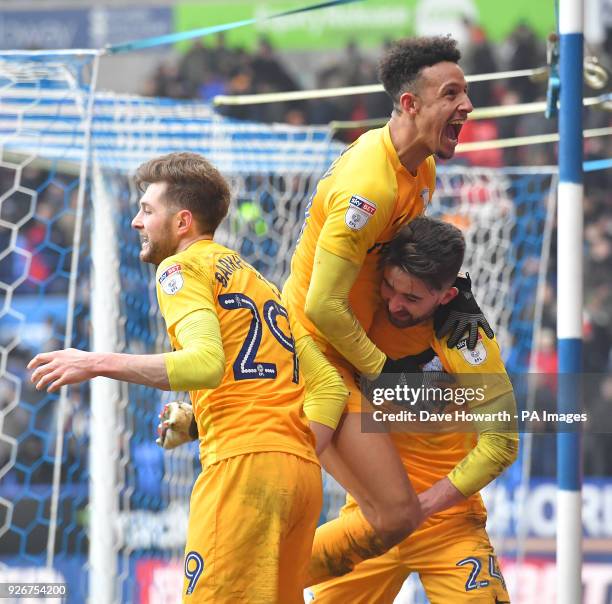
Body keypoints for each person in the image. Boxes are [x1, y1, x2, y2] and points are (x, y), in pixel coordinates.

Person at [28, 152, 345, 603]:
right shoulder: (259, 282)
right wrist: (268, 442)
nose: (137, 221)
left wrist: (93, 362)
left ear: (182, 222)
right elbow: (328, 388)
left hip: (241, 470)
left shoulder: (178, 269)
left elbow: (204, 363)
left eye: (147, 210)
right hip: (299, 476)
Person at [281, 35, 494, 584]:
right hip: (316, 355)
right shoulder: (369, 186)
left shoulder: (419, 170)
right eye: (452, 94)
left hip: (344, 355)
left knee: (393, 516)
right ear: (410, 104)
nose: (467, 106)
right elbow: (321, 305)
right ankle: (248, 583)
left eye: (465, 93)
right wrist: (384, 369)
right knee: (331, 496)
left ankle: (263, 582)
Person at [310, 217, 517, 603]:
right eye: (390, 286)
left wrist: (416, 508)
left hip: (448, 524)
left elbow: (502, 443)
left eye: (411, 299)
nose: (394, 303)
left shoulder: (466, 340)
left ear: (446, 297)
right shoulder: (357, 304)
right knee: (262, 576)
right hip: (372, 518)